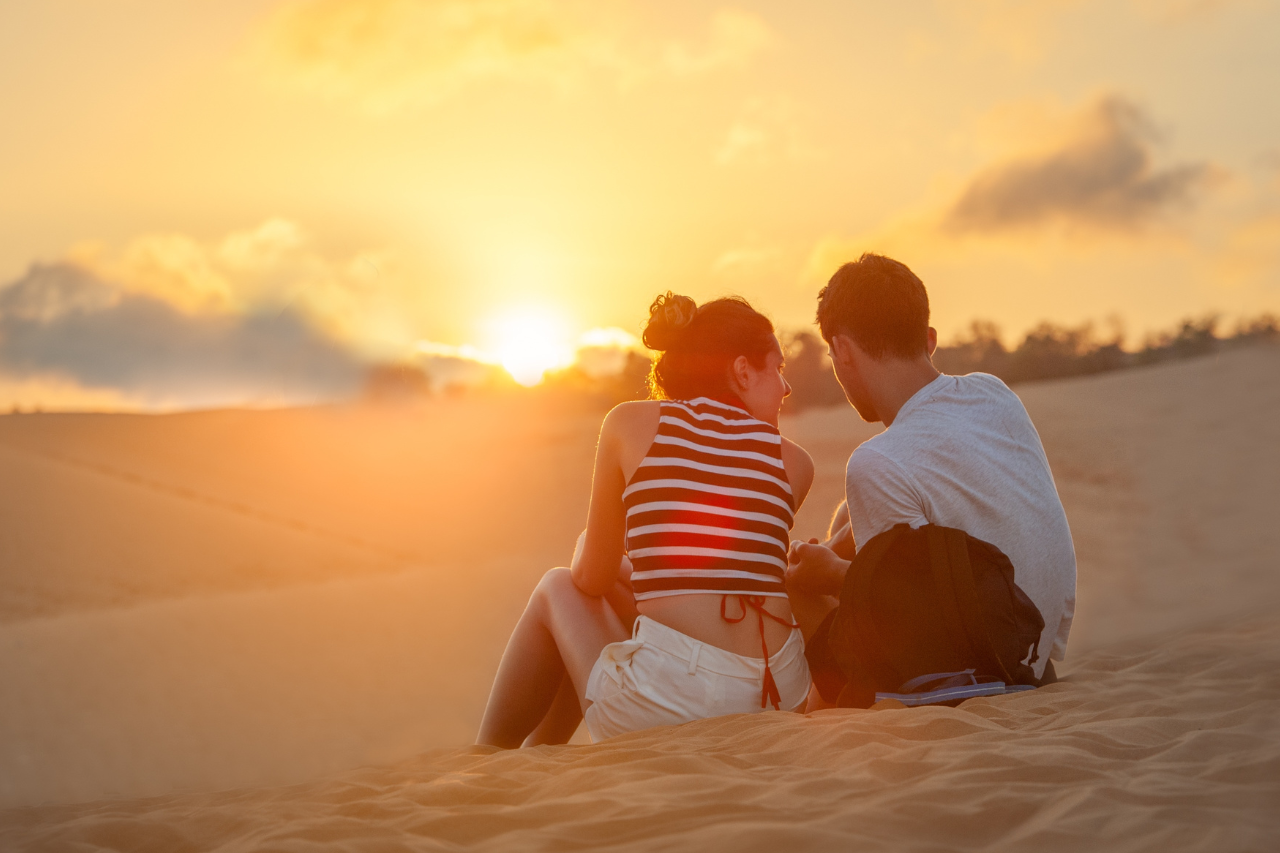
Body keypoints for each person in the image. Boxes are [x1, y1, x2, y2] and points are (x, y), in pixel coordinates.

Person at [477, 293, 815, 748]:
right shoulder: (794, 464)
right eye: (778, 369)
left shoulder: (628, 423)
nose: (785, 387)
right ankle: (540, 758)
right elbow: (710, 574)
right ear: (740, 371)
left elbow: (590, 578)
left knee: (558, 586)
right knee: (621, 594)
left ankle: (487, 754)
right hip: (780, 695)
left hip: (686, 700)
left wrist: (587, 547)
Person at [786, 253, 1076, 698]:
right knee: (852, 511)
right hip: (1037, 654)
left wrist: (827, 574)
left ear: (842, 350)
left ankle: (805, 718)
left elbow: (899, 609)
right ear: (929, 339)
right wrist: (833, 551)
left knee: (795, 590)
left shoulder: (878, 461)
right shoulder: (994, 394)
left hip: (982, 669)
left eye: (832, 353)